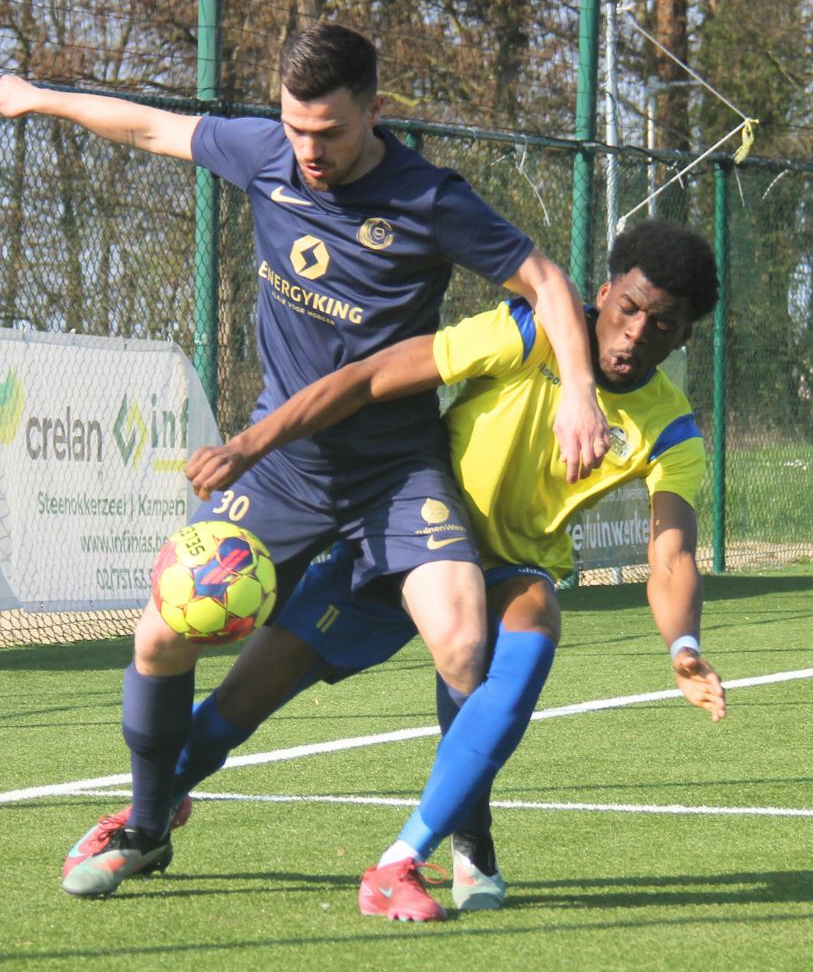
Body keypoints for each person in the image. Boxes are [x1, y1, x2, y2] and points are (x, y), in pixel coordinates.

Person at [0, 23, 610, 899]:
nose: (309, 150)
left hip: (396, 472)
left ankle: (470, 839)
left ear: (374, 112)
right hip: (281, 467)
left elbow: (545, 281)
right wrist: (38, 98)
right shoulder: (263, 153)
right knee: (161, 632)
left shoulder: (430, 198)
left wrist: (578, 388)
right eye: (295, 128)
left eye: (330, 132)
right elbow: (149, 127)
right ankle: (149, 827)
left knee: (465, 645)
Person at [170, 219, 729, 921]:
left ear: (684, 336)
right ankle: (147, 812)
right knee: (233, 711)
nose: (636, 333)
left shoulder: (671, 430)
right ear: (605, 291)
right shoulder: (527, 332)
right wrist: (251, 444)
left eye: (663, 324)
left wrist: (684, 645)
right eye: (629, 308)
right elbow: (372, 376)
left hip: (510, 569)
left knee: (533, 627)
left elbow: (671, 555)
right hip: (404, 535)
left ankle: (404, 859)